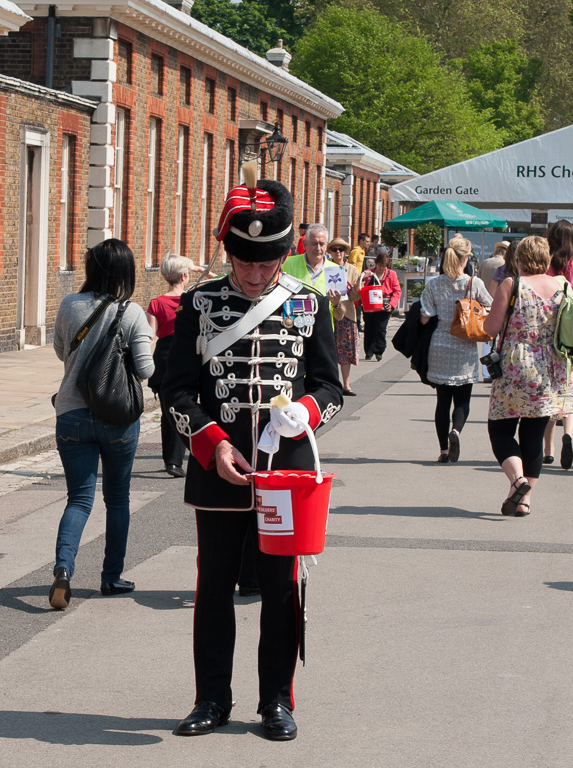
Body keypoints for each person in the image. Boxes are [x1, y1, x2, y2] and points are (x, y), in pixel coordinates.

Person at [163, 177, 343, 742]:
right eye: (245, 261)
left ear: (284, 255)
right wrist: (212, 442)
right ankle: (212, 697)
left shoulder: (309, 304)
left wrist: (307, 413)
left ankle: (276, 701)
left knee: (281, 588)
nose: (256, 274)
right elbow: (174, 389)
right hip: (218, 466)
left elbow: (332, 387)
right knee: (213, 586)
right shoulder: (198, 304)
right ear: (228, 251)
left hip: (285, 473)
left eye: (267, 264)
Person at [48, 239, 155, 609]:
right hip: (117, 420)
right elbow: (145, 369)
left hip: (71, 414)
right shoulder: (133, 313)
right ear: (125, 272)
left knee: (78, 499)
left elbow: (63, 352)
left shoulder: (68, 305)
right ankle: (111, 577)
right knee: (118, 499)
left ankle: (63, 569)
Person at [482, 236, 572, 517]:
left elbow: (491, 328)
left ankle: (517, 481)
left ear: (519, 258)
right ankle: (524, 500)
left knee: (500, 429)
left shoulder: (513, 284)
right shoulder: (564, 286)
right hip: (552, 368)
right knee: (534, 436)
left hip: (515, 367)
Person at [420, 236, 491, 462]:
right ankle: (456, 431)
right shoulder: (473, 283)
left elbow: (424, 318)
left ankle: (443, 451)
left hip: (440, 345)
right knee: (462, 400)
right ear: (466, 258)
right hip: (465, 345)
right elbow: (490, 306)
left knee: (442, 401)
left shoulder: (434, 283)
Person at [543, 221, 573, 468]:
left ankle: (548, 448)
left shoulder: (546, 264)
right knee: (568, 391)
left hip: (547, 332)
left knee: (549, 391)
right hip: (571, 336)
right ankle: (568, 435)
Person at [148, 254, 194, 477]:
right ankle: (179, 459)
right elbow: (223, 278)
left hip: (163, 359)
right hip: (187, 357)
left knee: (168, 412)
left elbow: (149, 338)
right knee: (186, 408)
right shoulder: (193, 300)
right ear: (184, 276)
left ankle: (172, 462)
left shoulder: (156, 303)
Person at [326, 238, 361, 394]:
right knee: (328, 350)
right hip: (328, 313)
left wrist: (357, 286)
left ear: (345, 252)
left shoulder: (352, 270)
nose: (338, 252)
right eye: (334, 249)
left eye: (341, 249)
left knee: (346, 352)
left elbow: (354, 297)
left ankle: (346, 384)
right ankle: (332, 383)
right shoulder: (325, 268)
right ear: (330, 252)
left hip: (346, 314)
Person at [358, 246, 401, 361]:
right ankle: (369, 351)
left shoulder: (391, 274)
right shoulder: (368, 273)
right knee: (369, 328)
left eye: (384, 266)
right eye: (379, 265)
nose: (381, 268)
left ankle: (379, 350)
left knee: (381, 329)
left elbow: (397, 290)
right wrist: (362, 278)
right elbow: (360, 287)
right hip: (369, 305)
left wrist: (392, 304)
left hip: (384, 305)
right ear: (376, 264)